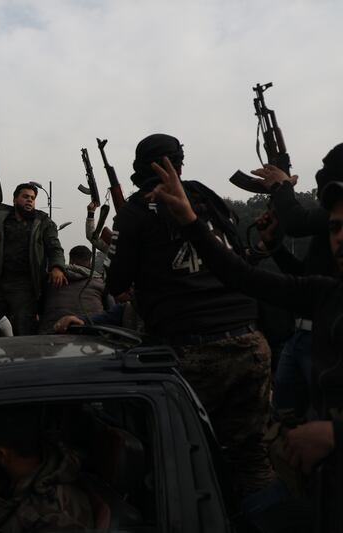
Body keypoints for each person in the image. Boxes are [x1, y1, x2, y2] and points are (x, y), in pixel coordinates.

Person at [150, 155, 343, 532]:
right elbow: (240, 275)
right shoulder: (328, 294)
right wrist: (190, 220)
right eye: (335, 227)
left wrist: (335, 435)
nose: (340, 238)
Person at [104, 134, 273, 500]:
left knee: (181, 458)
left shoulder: (135, 211)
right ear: (179, 165)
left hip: (189, 351)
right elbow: (238, 260)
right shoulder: (205, 199)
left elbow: (116, 283)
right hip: (249, 343)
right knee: (252, 458)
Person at [252, 146, 343, 415]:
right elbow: (303, 276)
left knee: (323, 417)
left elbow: (296, 222)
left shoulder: (333, 217)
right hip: (301, 335)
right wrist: (274, 245)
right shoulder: (327, 234)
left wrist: (281, 186)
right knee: (287, 417)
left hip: (325, 337)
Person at [0, 180, 67, 336]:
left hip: (25, 287)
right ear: (15, 200)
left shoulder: (43, 222)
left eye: (33, 198)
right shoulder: (2, 217)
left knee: (24, 330)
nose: (30, 200)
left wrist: (57, 267)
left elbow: (54, 247)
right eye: (25, 196)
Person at [38, 245, 106, 334]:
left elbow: (39, 308)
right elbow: (111, 311)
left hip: (51, 333)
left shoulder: (50, 279)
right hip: (91, 333)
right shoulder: (100, 282)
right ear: (90, 263)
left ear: (70, 260)